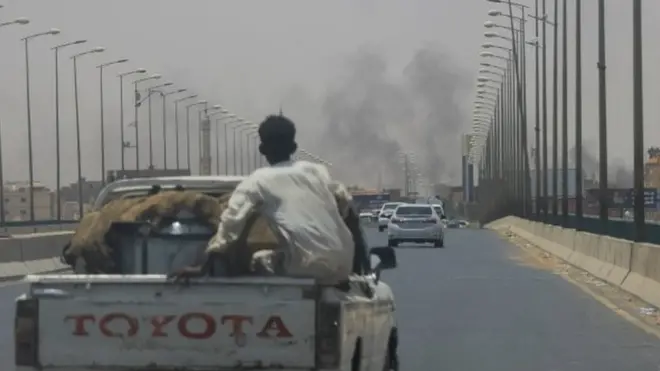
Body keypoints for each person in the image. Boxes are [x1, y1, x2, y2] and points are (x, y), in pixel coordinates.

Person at [172, 114, 356, 285]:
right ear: (293, 147)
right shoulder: (316, 171)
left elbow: (231, 223)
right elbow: (344, 200)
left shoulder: (257, 181)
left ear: (262, 149)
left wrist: (203, 265)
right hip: (345, 264)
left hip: (305, 266)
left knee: (258, 260)